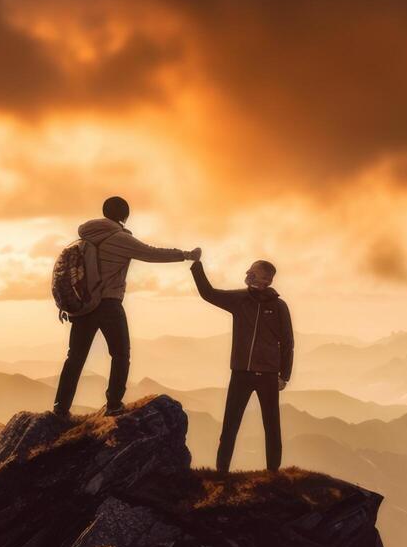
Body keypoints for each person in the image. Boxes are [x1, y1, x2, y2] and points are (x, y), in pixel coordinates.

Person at [52, 196, 199, 418]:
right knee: (120, 354)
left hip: (83, 306)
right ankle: (114, 404)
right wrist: (185, 255)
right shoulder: (119, 238)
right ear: (125, 216)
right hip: (108, 305)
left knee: (75, 357)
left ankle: (60, 408)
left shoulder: (84, 238)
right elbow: (152, 254)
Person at [191, 256, 294, 471]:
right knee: (230, 426)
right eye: (249, 270)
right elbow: (208, 294)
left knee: (272, 427)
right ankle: (221, 474)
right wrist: (196, 264)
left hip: (268, 376)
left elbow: (287, 343)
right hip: (240, 374)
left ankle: (273, 475)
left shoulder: (279, 307)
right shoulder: (239, 299)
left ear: (267, 279)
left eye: (253, 271)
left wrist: (284, 376)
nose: (248, 273)